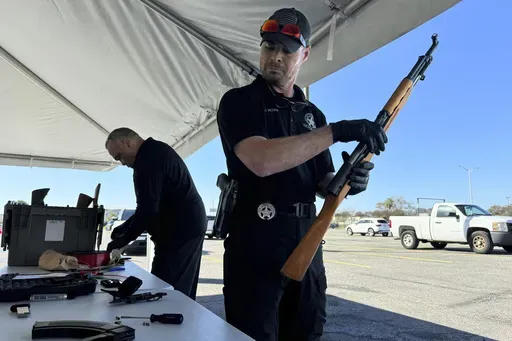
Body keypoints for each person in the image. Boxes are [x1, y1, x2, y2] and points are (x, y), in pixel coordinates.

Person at [216, 7, 388, 341]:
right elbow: (261, 161)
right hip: (255, 241)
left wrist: (349, 181)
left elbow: (323, 181)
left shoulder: (313, 114)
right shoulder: (240, 101)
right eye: (269, 46)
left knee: (306, 331)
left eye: (287, 50)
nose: (276, 56)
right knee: (253, 333)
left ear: (304, 54)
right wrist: (337, 131)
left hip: (306, 240)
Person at [105, 127, 207, 300]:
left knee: (167, 290)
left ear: (127, 143)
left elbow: (148, 210)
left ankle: (175, 323)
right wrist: (124, 228)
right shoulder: (155, 151)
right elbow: (148, 206)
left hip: (180, 231)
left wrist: (123, 239)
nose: (121, 162)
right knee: (177, 286)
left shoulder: (147, 159)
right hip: (186, 226)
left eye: (119, 156)